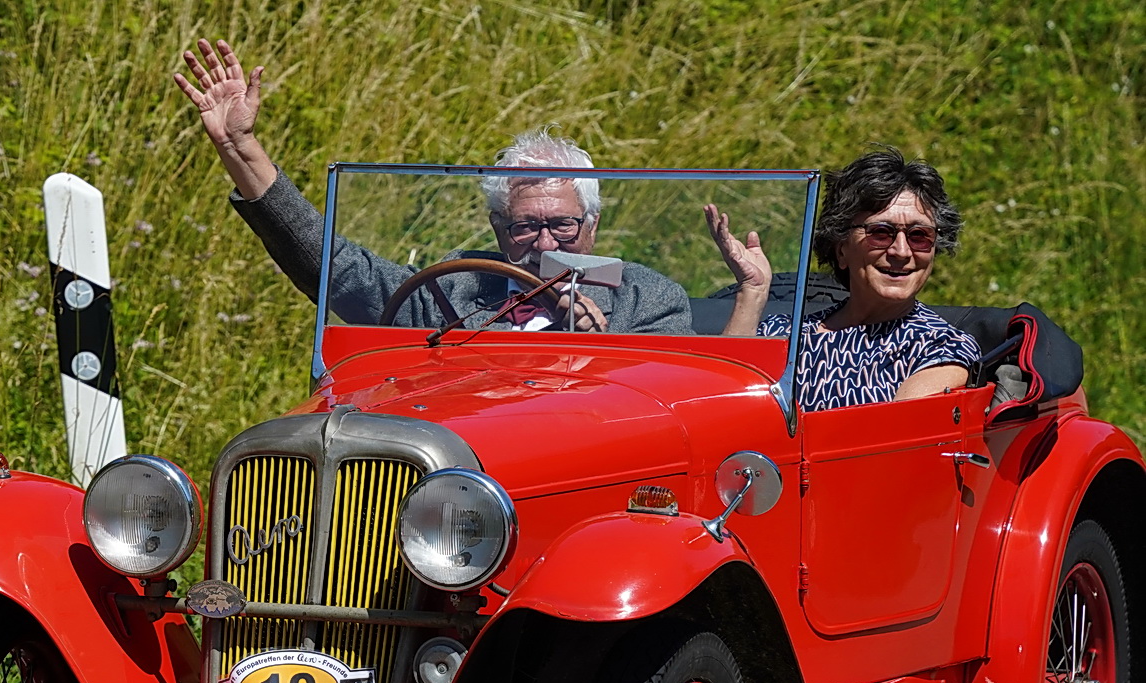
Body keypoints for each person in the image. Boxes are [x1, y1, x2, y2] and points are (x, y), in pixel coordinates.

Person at [172, 39, 694, 336]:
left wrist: (594, 347)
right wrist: (240, 147)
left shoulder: (648, 302)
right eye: (526, 227)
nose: (545, 244)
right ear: (498, 228)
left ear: (592, 224)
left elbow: (665, 414)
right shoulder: (452, 290)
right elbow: (335, 267)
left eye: (562, 224)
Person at [705, 148, 980, 410]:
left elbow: (890, 438)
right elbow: (719, 404)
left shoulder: (941, 347)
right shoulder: (785, 335)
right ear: (841, 249)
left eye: (919, 235)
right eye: (881, 233)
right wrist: (752, 291)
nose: (901, 251)